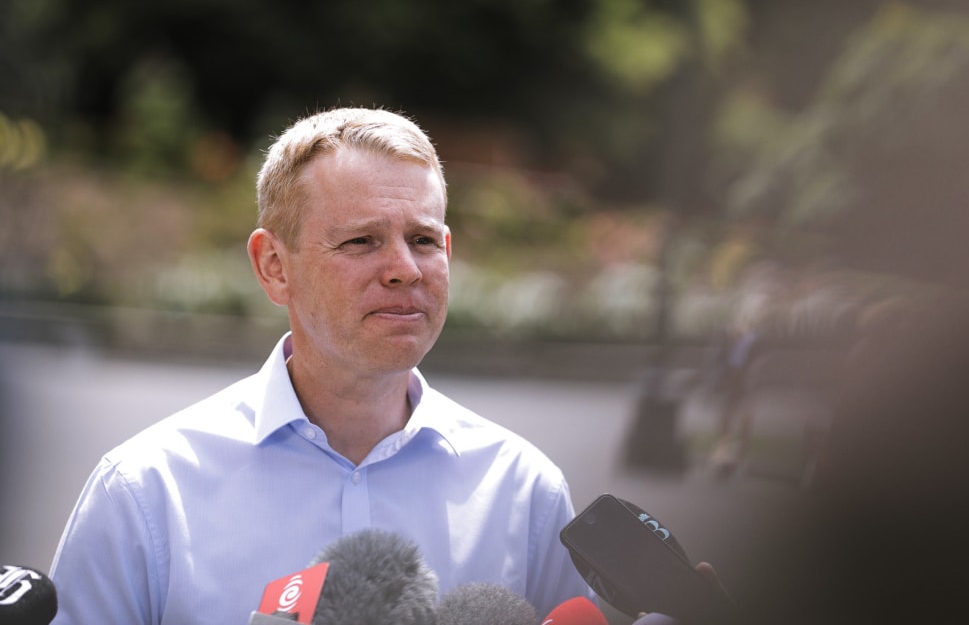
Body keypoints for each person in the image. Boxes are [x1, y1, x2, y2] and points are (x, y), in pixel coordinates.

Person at [48, 107, 592, 624]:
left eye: (423, 240)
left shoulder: (525, 492)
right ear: (274, 266)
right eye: (362, 241)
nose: (405, 269)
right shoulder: (147, 491)